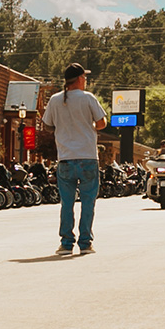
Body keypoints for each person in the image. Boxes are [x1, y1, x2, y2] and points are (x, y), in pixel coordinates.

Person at [44, 62, 107, 255]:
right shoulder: (88, 98)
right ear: (80, 79)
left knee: (67, 203)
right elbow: (102, 123)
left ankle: (66, 242)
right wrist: (87, 127)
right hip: (87, 157)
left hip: (65, 159)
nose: (86, 81)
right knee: (88, 202)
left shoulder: (55, 100)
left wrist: (63, 127)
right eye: (85, 78)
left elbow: (47, 124)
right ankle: (85, 242)